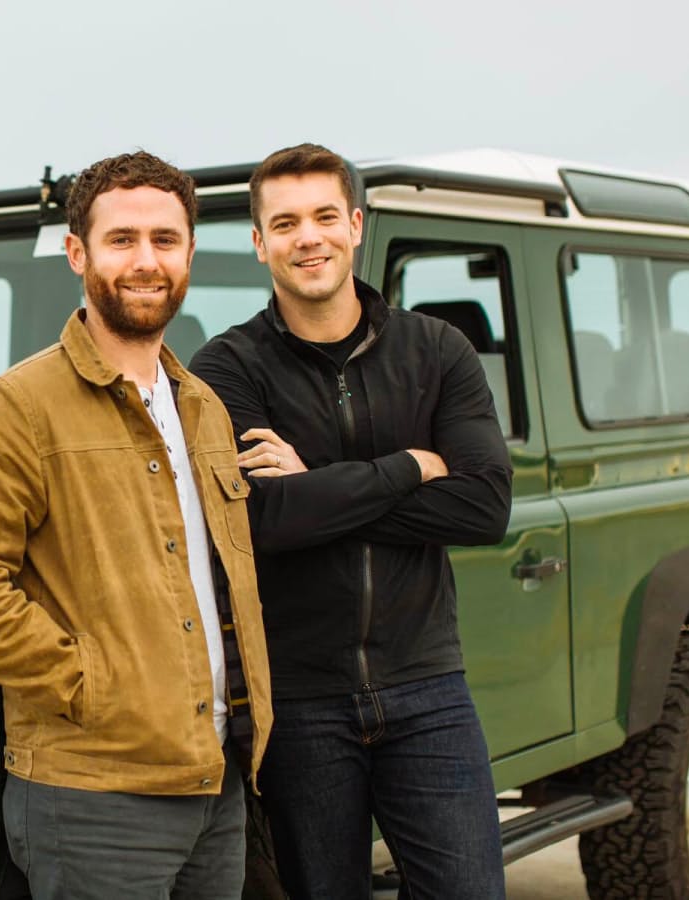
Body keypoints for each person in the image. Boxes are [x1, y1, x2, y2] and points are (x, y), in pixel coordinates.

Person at [0, 151, 272, 900]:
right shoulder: (18, 406)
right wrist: (90, 687)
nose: (146, 261)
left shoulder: (204, 407)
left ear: (188, 254)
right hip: (93, 797)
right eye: (122, 240)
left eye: (165, 240)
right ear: (78, 253)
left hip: (215, 778)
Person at [190, 143, 513, 900]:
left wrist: (317, 488)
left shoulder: (437, 351)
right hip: (298, 701)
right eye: (287, 222)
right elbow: (262, 519)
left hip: (427, 684)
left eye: (326, 216)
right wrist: (407, 465)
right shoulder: (227, 369)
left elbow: (484, 503)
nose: (310, 237)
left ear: (357, 224)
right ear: (259, 240)